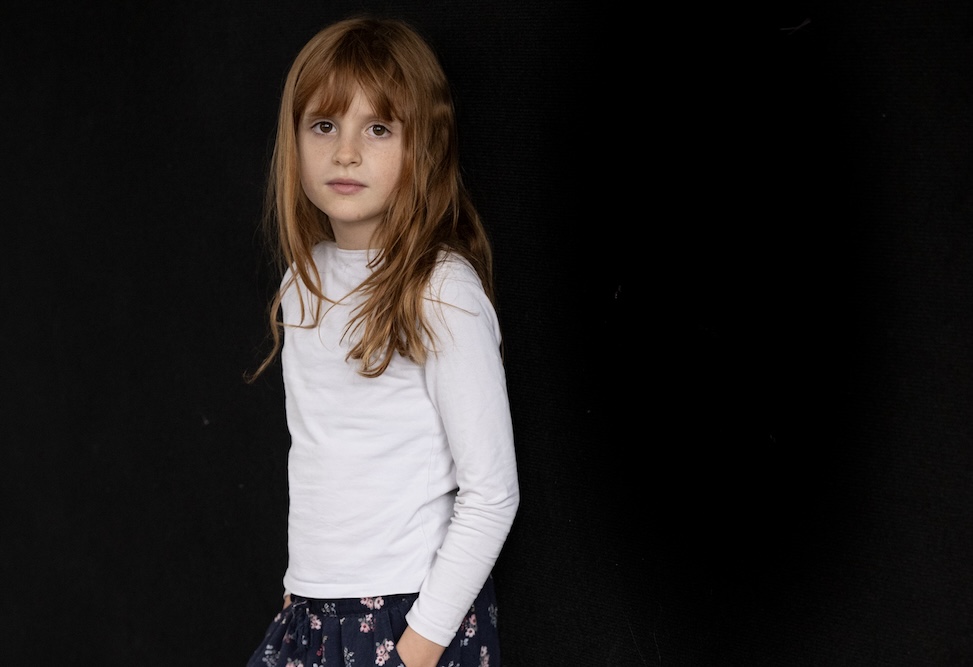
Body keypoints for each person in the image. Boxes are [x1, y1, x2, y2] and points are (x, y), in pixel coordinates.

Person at [244, 15, 520, 667]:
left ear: (422, 145)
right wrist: (300, 587)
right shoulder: (302, 282)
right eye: (324, 126)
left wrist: (417, 646)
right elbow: (321, 449)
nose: (345, 153)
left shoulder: (439, 290)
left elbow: (491, 493)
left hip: (410, 615)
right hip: (313, 610)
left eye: (377, 129)